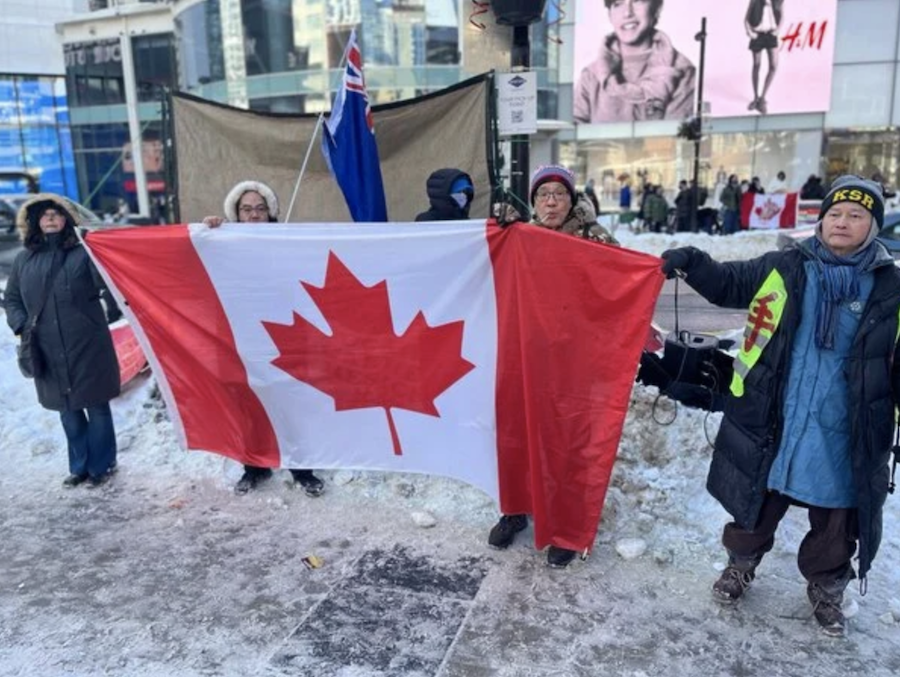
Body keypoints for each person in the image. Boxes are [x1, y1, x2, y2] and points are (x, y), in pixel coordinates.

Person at [659, 176, 900, 637]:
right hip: (778, 415)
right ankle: (740, 565)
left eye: (856, 215)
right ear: (821, 220)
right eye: (835, 213)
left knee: (837, 518)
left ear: (873, 226)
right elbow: (729, 283)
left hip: (846, 425)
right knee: (756, 501)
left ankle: (828, 587)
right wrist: (692, 261)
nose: (842, 222)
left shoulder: (890, 289)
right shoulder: (787, 267)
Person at [489, 164, 617, 570]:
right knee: (517, 434)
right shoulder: (519, 236)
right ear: (533, 200)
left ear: (571, 199)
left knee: (568, 442)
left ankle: (565, 527)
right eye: (543, 194)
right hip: (525, 354)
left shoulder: (593, 237)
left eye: (559, 194)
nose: (550, 202)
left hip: (574, 361)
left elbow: (620, 282)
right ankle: (516, 509)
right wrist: (499, 225)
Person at [203, 180, 325, 498]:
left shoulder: (285, 241)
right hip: (241, 337)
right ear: (236, 214)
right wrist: (208, 230)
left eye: (260, 208)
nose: (254, 215)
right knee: (248, 404)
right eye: (247, 209)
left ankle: (302, 468)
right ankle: (255, 467)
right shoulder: (221, 241)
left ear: (269, 212)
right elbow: (197, 255)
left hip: (284, 335)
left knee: (290, 403)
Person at [4, 194, 122, 488]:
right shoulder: (24, 259)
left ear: (67, 219)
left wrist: (95, 239)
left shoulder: (86, 252)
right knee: (67, 411)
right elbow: (13, 299)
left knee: (96, 406)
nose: (51, 218)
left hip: (87, 344)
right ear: (35, 223)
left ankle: (102, 467)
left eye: (57, 213)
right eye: (44, 215)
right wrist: (21, 326)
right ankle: (80, 467)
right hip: (46, 347)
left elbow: (107, 280)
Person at [574, 0, 695, 123]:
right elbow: (572, 137)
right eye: (618, 4)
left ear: (657, 9)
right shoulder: (590, 76)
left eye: (637, 1)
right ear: (609, 15)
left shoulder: (682, 71)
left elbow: (674, 138)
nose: (627, 13)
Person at [745, 0, 784, 115]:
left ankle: (763, 98)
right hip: (757, 35)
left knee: (773, 65)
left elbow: (782, 16)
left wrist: (778, 30)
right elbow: (746, 19)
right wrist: (749, 32)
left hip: (771, 35)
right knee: (756, 65)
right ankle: (756, 97)